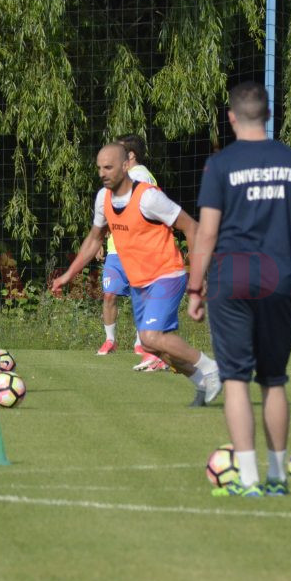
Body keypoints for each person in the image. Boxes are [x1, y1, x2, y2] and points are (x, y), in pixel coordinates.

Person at [188, 81, 291, 497]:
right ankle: (278, 478)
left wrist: (195, 287)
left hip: (231, 278)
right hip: (276, 279)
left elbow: (207, 233)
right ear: (267, 115)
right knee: (274, 381)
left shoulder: (220, 165)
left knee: (235, 381)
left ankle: (247, 481)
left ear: (231, 117)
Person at [51, 143, 221, 406]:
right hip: (139, 280)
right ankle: (201, 380)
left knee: (151, 337)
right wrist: (68, 275)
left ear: (125, 165)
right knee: (151, 346)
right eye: (99, 168)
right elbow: (94, 239)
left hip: (167, 274)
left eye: (108, 167)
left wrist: (199, 277)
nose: (102, 173)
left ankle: (211, 369)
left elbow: (193, 227)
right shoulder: (102, 199)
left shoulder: (148, 197)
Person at [95, 134, 168, 372]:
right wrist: (100, 237)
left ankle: (141, 343)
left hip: (137, 251)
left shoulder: (141, 176)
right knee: (109, 294)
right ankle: (110, 340)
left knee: (142, 297)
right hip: (116, 251)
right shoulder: (124, 177)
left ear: (130, 156)